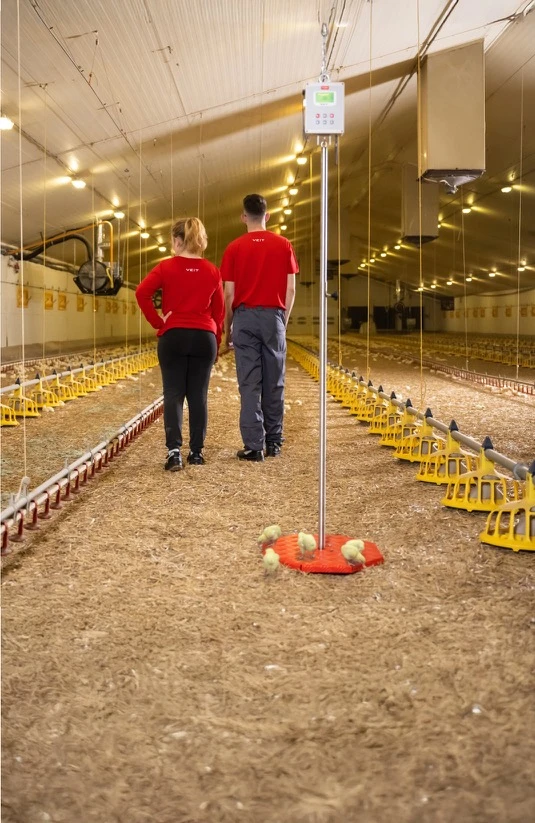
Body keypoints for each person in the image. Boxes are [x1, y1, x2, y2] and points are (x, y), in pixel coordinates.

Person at [136, 217, 224, 471]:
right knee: (198, 396)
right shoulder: (212, 271)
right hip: (203, 338)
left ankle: (174, 452)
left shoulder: (165, 268)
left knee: (174, 394)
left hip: (173, 335)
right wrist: (215, 343)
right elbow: (218, 313)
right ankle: (196, 452)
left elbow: (142, 292)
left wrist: (158, 322)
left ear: (177, 241)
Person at [220, 194, 299, 462]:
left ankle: (254, 446)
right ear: (268, 215)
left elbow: (228, 294)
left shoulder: (233, 248)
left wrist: (227, 327)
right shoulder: (283, 245)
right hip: (273, 317)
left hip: (244, 317)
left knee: (249, 383)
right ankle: (274, 442)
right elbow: (290, 289)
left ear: (243, 217)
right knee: (274, 382)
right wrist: (282, 323)